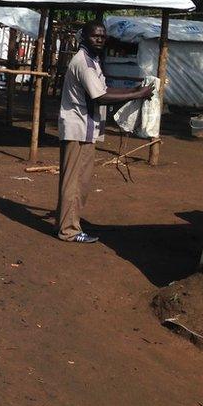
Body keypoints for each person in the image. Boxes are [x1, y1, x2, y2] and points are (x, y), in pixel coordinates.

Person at [56, 21, 154, 243]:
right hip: (78, 129)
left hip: (85, 129)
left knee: (79, 180)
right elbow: (100, 97)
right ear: (84, 37)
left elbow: (104, 89)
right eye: (95, 36)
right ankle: (69, 230)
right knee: (75, 181)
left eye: (102, 36)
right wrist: (136, 95)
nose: (99, 39)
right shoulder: (84, 63)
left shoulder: (93, 61)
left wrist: (132, 90)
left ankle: (67, 224)